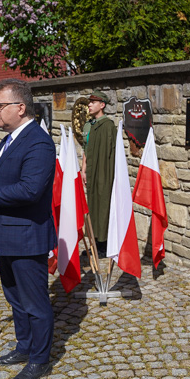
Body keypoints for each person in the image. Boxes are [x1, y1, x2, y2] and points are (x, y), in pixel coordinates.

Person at [0, 78, 56, 379]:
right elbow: (3, 177)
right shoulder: (10, 139)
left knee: (34, 302)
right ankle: (24, 346)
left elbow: (30, 189)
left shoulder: (39, 142)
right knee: (15, 298)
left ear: (20, 108)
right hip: (6, 235)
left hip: (27, 236)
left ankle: (39, 359)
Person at [81, 90, 115, 257]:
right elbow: (85, 150)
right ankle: (94, 241)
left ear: (102, 105)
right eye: (89, 102)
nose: (89, 105)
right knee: (91, 205)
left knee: (102, 204)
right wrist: (83, 170)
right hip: (91, 170)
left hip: (102, 172)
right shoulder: (89, 125)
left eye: (93, 102)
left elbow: (110, 153)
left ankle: (103, 244)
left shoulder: (108, 125)